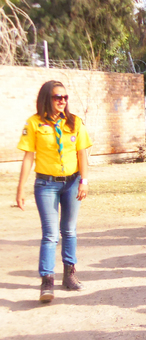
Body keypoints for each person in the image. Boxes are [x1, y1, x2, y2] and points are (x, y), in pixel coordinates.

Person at [16, 80, 93, 303]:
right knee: (50, 234)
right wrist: (20, 189)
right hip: (46, 185)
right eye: (57, 97)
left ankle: (69, 275)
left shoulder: (74, 122)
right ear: (46, 99)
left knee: (69, 230)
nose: (62, 101)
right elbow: (28, 157)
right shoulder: (34, 124)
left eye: (65, 97)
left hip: (72, 183)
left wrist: (84, 181)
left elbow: (82, 154)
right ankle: (47, 281)